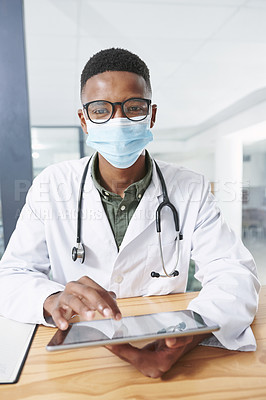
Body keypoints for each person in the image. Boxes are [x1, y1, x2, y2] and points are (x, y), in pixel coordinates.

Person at [0, 48, 260, 378]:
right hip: (81, 349)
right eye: (101, 110)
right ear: (84, 120)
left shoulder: (190, 187)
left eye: (133, 108)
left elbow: (233, 270)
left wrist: (192, 331)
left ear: (151, 115)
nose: (118, 121)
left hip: (168, 339)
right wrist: (51, 296)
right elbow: (11, 275)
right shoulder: (51, 185)